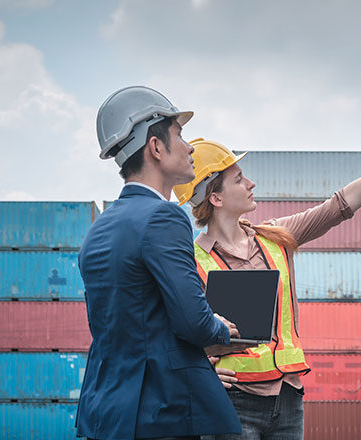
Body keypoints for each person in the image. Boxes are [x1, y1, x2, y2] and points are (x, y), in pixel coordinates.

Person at [172, 134, 361, 440]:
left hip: (288, 399)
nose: (250, 183)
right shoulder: (190, 261)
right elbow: (172, 337)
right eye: (238, 179)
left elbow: (340, 205)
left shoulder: (276, 237)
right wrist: (202, 375)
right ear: (216, 198)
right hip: (231, 401)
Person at [76, 87, 242, 440]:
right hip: (161, 411)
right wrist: (222, 330)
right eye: (180, 135)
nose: (190, 147)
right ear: (155, 147)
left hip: (105, 412)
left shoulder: (99, 227)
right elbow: (193, 322)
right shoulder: (164, 216)